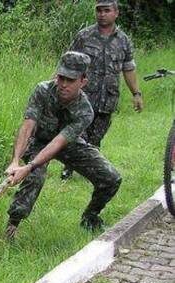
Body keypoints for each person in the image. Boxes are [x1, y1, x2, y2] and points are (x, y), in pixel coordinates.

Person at [5, 51, 122, 240]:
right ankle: (12, 225)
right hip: (39, 142)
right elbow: (28, 126)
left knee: (111, 177)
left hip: (68, 144)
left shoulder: (85, 111)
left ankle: (90, 217)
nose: (64, 84)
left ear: (83, 81)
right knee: (35, 177)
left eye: (71, 80)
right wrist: (16, 161)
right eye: (61, 78)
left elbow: (60, 142)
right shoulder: (42, 90)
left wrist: (29, 166)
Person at [61, 0, 143, 180]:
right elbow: (67, 63)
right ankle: (69, 168)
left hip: (108, 99)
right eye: (99, 10)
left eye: (106, 10)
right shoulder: (84, 36)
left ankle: (92, 170)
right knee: (77, 133)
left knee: (96, 138)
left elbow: (128, 68)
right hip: (83, 97)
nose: (102, 14)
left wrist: (136, 94)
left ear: (116, 13)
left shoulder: (123, 40)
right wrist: (58, 87)